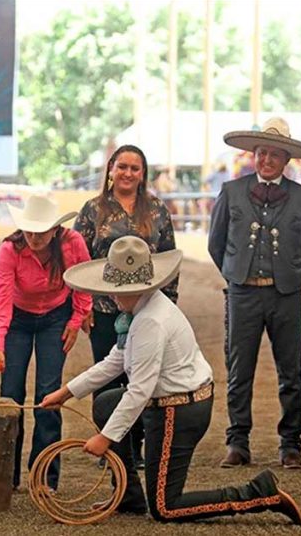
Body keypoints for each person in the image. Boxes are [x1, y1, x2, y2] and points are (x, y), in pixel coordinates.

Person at [40, 236, 301, 524]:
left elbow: (139, 390)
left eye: (116, 291)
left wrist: (106, 437)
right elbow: (117, 360)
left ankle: (258, 493)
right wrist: (66, 392)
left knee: (167, 507)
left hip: (177, 410)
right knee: (106, 403)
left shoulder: (149, 322)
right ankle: (129, 496)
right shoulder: (145, 309)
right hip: (172, 401)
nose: (112, 296)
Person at [208, 117, 301, 470]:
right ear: (253, 155)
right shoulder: (231, 192)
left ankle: (291, 444)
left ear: (286, 160)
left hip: (285, 294)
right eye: (261, 153)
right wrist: (236, 274)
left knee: (291, 370)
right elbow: (216, 244)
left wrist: (287, 275)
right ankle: (237, 441)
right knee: (240, 369)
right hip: (243, 293)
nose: (266, 160)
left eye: (274, 154)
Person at [73, 144, 178, 468]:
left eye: (135, 168)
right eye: (122, 167)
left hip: (148, 306)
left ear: (142, 173)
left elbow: (168, 257)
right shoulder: (93, 210)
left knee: (143, 376)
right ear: (111, 170)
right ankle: (110, 446)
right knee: (107, 378)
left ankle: (137, 447)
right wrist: (83, 307)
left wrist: (170, 304)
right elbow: (78, 256)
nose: (128, 173)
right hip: (105, 307)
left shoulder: (158, 210)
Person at [0, 195, 92, 491]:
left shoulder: (73, 243)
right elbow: (2, 300)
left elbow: (83, 284)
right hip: (18, 320)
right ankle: (7, 475)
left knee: (49, 395)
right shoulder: (11, 248)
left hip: (55, 318)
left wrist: (75, 320)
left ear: (55, 229)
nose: (33, 237)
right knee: (10, 396)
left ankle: (45, 476)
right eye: (29, 230)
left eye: (40, 231)